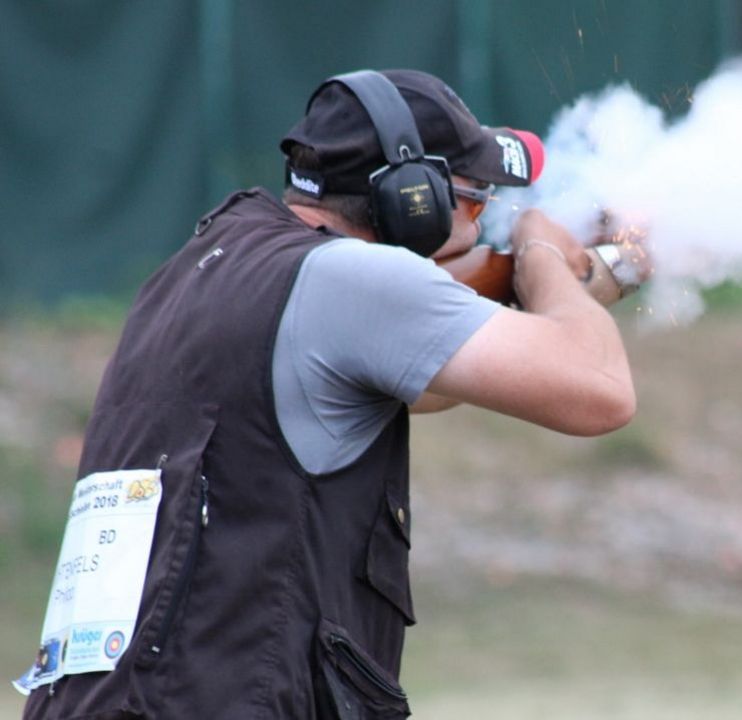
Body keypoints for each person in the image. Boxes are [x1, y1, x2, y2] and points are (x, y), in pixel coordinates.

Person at [19, 69, 640, 719]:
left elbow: (436, 376)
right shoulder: (349, 280)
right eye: (475, 203)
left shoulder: (202, 268)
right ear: (411, 198)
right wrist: (541, 251)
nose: (484, 227)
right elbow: (598, 390)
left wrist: (552, 285)